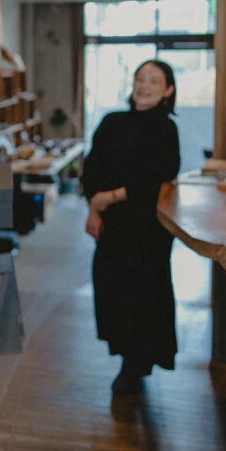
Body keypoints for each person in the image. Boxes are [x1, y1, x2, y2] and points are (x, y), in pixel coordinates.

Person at [82, 59, 181, 397]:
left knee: (143, 294)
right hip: (112, 225)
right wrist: (94, 207)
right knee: (112, 289)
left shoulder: (166, 128)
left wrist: (110, 196)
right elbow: (91, 165)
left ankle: (135, 364)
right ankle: (126, 355)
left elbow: (160, 174)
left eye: (154, 80)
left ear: (168, 90)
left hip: (147, 228)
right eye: (140, 78)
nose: (144, 85)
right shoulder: (112, 121)